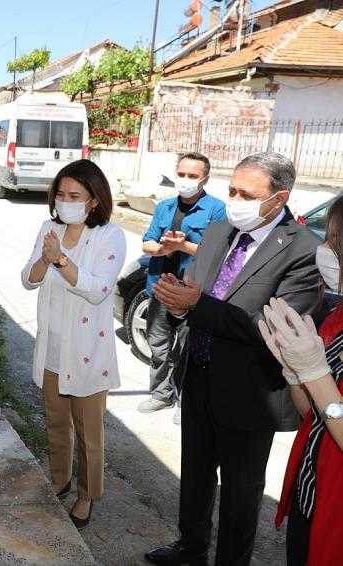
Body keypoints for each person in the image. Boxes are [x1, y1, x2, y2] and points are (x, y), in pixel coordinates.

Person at [145, 152, 321, 566]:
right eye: (231, 190)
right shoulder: (221, 227)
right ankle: (191, 547)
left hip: (250, 391)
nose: (234, 200)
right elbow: (199, 288)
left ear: (279, 199)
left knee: (241, 494)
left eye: (246, 193)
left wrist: (196, 305)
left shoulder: (302, 250)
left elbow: (276, 326)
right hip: (199, 373)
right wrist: (177, 300)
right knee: (195, 474)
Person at [21, 159, 126, 529]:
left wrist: (60, 260)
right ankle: (59, 479)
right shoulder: (48, 227)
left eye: (74, 195)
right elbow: (28, 278)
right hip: (52, 348)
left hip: (87, 354)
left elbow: (98, 290)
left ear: (94, 200)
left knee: (89, 434)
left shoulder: (109, 236)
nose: (65, 201)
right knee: (55, 423)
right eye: (61, 194)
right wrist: (44, 262)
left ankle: (86, 494)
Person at [258, 197, 343, 566]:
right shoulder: (335, 319)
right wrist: (295, 374)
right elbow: (309, 412)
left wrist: (315, 374)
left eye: (336, 240)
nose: (323, 249)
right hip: (311, 496)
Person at [138, 152, 226, 424]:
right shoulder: (164, 206)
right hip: (161, 287)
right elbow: (147, 243)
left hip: (193, 292)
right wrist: (164, 248)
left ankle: (185, 401)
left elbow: (217, 253)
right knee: (158, 344)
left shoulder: (216, 209)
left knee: (189, 347)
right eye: (182, 174)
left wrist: (183, 246)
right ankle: (161, 394)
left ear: (205, 179)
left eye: (193, 176)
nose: (186, 180)